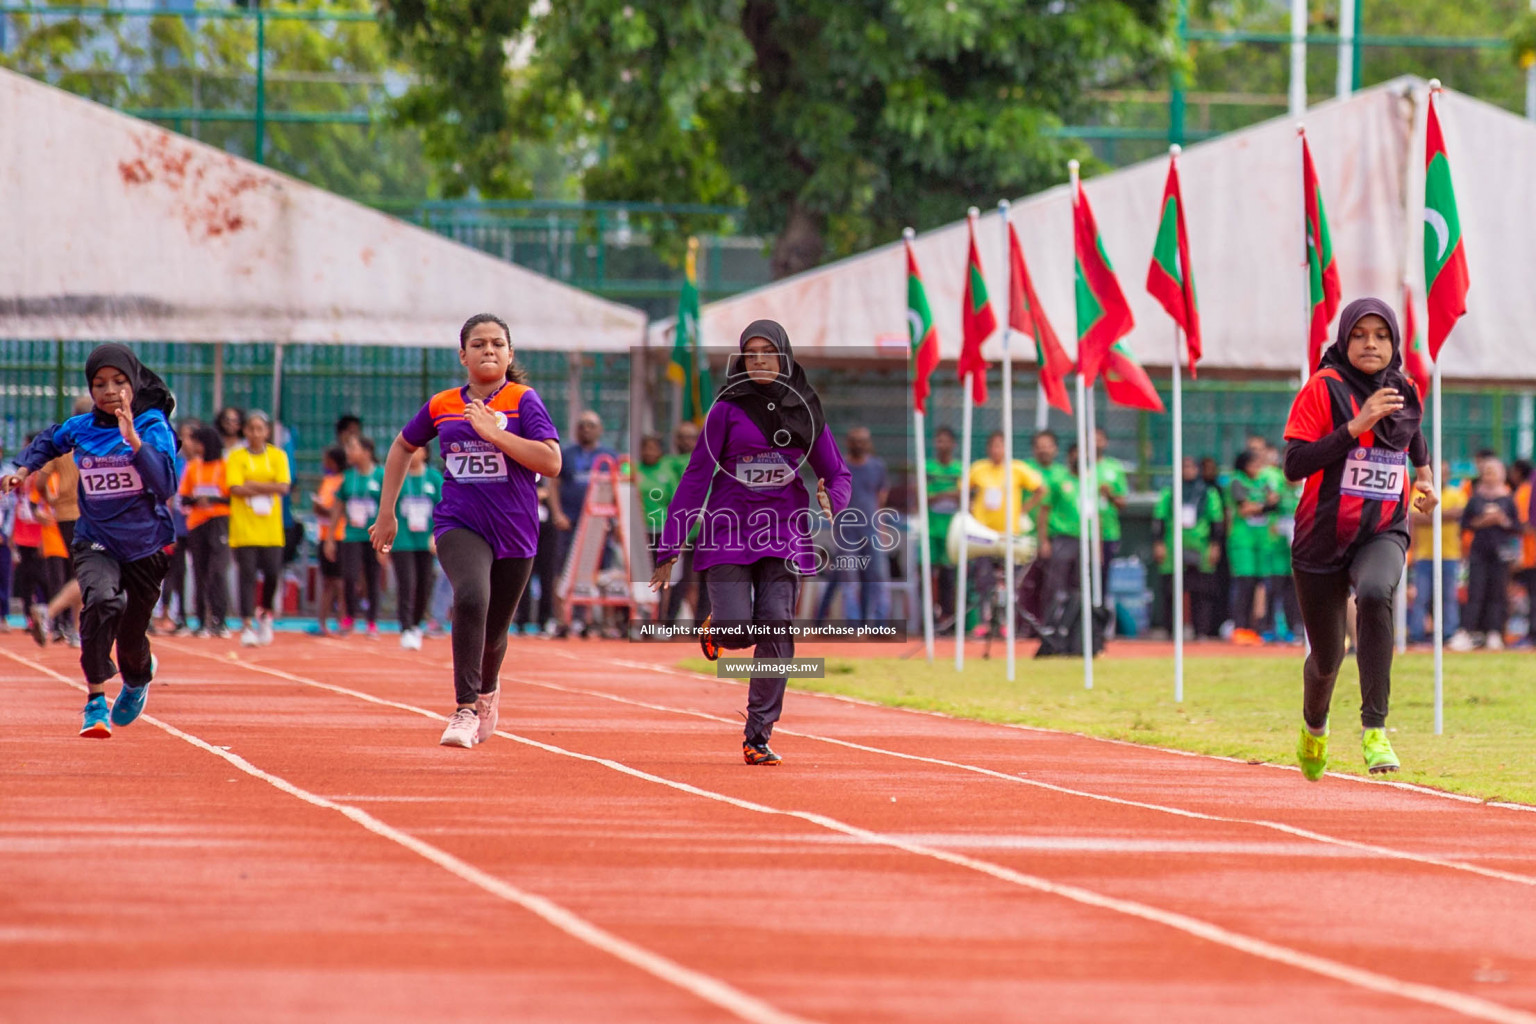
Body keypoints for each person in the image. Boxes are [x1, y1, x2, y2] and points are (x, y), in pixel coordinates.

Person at [652, 319, 851, 766]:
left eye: (768, 351)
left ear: (784, 355)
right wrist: (670, 548)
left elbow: (836, 472)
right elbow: (696, 476)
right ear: (741, 359)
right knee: (739, 631)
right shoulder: (725, 410)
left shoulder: (804, 409)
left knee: (777, 625)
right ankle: (716, 629)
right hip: (727, 531)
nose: (759, 359)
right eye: (751, 352)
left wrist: (833, 500)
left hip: (782, 533)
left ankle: (757, 734)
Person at [373, 313, 560, 747]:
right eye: (478, 344)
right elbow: (403, 446)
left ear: (510, 353)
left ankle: (487, 690)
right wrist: (387, 511)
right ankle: (464, 709)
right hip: (460, 523)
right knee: (471, 597)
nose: (488, 350)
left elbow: (551, 462)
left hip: (515, 530)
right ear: (463, 355)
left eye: (497, 343)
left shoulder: (523, 400)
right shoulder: (442, 404)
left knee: (495, 634)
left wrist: (494, 436)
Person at [1284, 297, 1435, 780]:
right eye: (1360, 335)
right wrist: (1357, 425)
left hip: (1382, 530)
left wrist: (1427, 480)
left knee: (1375, 592)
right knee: (1328, 659)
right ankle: (1314, 724)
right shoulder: (1323, 389)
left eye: (1382, 335)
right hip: (1321, 539)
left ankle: (1375, 730)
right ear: (1345, 340)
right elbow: (1294, 466)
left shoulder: (1405, 387)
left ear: (1393, 342)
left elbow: (1413, 437)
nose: (1371, 343)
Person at [2, 344, 180, 737]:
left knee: (131, 637)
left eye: (119, 381)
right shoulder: (82, 428)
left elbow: (166, 484)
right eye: (99, 383)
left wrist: (134, 442)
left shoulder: (152, 427)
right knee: (100, 599)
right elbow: (49, 441)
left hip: (146, 545)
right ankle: (95, 700)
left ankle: (137, 677)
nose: (109, 390)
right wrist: (22, 468)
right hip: (96, 538)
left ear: (133, 384)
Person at [964, 429, 1042, 636]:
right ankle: (984, 621)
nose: (997, 450)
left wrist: (1023, 510)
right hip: (983, 535)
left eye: (1001, 445)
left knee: (1009, 581)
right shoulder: (978, 469)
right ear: (988, 449)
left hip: (1009, 534)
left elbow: (1040, 489)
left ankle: (1007, 622)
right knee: (983, 579)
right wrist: (971, 507)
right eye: (993, 446)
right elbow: (964, 490)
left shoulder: (1017, 469)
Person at [226, 409, 291, 647]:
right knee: (247, 576)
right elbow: (235, 488)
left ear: (267, 432)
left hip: (271, 530)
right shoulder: (236, 457)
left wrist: (251, 484)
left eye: (260, 429)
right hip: (244, 528)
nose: (255, 433)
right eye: (251, 428)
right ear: (245, 431)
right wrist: (267, 486)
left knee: (273, 573)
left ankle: (265, 614)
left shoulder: (278, 456)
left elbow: (284, 487)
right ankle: (247, 623)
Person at [554, 410, 617, 635]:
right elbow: (554, 484)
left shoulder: (609, 456)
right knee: (563, 572)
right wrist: (557, 513)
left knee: (603, 572)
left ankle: (604, 623)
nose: (586, 429)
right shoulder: (566, 454)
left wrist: (616, 519)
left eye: (591, 425)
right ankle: (563, 621)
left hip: (600, 526)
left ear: (600, 429)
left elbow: (621, 486)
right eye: (582, 425)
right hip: (570, 523)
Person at [1153, 457, 1224, 639]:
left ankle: (1201, 631)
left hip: (1201, 546)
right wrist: (1159, 543)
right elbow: (1159, 518)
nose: (1188, 470)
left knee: (1202, 591)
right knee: (1172, 590)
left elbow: (1217, 521)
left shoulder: (1208, 493)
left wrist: (1215, 545)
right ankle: (1171, 631)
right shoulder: (1170, 492)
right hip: (1173, 546)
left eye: (1192, 467)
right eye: (1184, 467)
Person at [1460, 457, 1518, 650]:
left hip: (1501, 552)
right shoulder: (1475, 498)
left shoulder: (1508, 499)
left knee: (1497, 592)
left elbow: (1516, 525)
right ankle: (1469, 632)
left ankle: (1495, 632)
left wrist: (1501, 520)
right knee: (1475, 591)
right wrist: (1483, 521)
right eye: (1487, 472)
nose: (1490, 476)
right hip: (1479, 551)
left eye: (1494, 472)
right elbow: (1466, 523)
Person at [179, 424, 231, 637]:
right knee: (200, 571)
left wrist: (212, 499)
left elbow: (231, 496)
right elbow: (184, 496)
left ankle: (220, 619)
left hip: (218, 521)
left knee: (217, 570)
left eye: (199, 442)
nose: (196, 447)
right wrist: (196, 501)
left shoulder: (224, 466)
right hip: (197, 523)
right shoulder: (193, 467)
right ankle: (200, 620)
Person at [1407, 460, 1465, 646]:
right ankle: (1417, 634)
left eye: (1445, 472)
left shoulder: (1456, 494)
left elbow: (1459, 513)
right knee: (1421, 596)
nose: (1442, 475)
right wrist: (1444, 515)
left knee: (1449, 596)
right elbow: (1414, 517)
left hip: (1449, 553)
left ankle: (1449, 633)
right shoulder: (1418, 492)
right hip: (1424, 554)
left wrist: (1430, 513)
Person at [392, 445, 442, 650]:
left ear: (425, 453)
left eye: (418, 450)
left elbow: (442, 507)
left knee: (424, 584)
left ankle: (416, 624)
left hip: (426, 540)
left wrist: (436, 534)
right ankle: (405, 627)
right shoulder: (398, 476)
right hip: (403, 539)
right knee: (407, 583)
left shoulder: (434, 478)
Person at [337, 434, 386, 639]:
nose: (349, 453)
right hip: (352, 534)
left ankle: (372, 621)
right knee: (350, 575)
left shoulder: (381, 475)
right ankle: (350, 615)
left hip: (374, 535)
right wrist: (331, 536)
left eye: (353, 448)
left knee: (373, 577)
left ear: (367, 452)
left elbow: (389, 504)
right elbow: (338, 505)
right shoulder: (348, 476)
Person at [663, 420, 710, 625]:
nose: (687, 441)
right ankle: (668, 623)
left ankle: (702, 625)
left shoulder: (708, 460)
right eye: (682, 436)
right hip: (681, 529)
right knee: (677, 579)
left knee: (706, 579)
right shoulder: (668, 463)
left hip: (706, 529)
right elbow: (672, 493)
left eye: (691, 436)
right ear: (675, 440)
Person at [1030, 430, 1080, 621]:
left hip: (1080, 539)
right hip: (1054, 538)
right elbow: (1045, 510)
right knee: (1051, 585)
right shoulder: (1058, 479)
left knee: (1075, 586)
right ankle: (1048, 624)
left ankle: (1070, 625)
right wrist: (1044, 540)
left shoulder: (1087, 481)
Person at [1226, 451, 1275, 645]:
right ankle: (1240, 627)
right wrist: (1264, 505)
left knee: (1259, 584)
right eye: (1254, 462)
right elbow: (1244, 509)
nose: (1258, 466)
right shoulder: (1237, 481)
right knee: (1243, 584)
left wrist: (1261, 505)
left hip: (1261, 540)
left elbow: (1274, 499)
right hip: (1242, 541)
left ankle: (1256, 628)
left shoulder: (1264, 480)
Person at [925, 425, 963, 630]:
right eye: (939, 440)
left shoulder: (960, 469)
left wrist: (940, 494)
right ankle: (929, 618)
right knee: (930, 576)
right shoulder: (927, 468)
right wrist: (948, 493)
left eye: (946, 440)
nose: (943, 445)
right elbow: (924, 497)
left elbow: (963, 497)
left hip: (952, 532)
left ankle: (949, 620)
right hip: (931, 531)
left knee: (950, 578)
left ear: (954, 444)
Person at [312, 446, 349, 636]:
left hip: (340, 536)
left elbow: (340, 510)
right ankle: (322, 623)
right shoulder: (326, 480)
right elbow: (322, 507)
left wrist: (325, 510)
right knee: (327, 581)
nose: (324, 463)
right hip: (324, 535)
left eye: (327, 459)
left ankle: (342, 621)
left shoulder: (344, 481)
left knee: (340, 582)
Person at [1094, 428, 1129, 599]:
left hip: (1108, 532)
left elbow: (1123, 503)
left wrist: (1110, 495)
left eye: (1099, 438)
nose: (1095, 442)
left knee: (1103, 576)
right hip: (1082, 533)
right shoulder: (1080, 467)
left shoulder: (1114, 467)